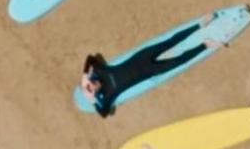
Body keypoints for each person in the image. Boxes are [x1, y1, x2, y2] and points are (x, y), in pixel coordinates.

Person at [79, 16, 223, 117]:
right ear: (95, 94)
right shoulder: (110, 94)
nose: (91, 86)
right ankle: (206, 44)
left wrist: (85, 75)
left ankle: (200, 24)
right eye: (91, 90)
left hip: (142, 57)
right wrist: (92, 101)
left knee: (170, 42)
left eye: (88, 85)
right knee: (179, 61)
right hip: (150, 71)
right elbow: (104, 113)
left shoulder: (101, 71)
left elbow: (90, 58)